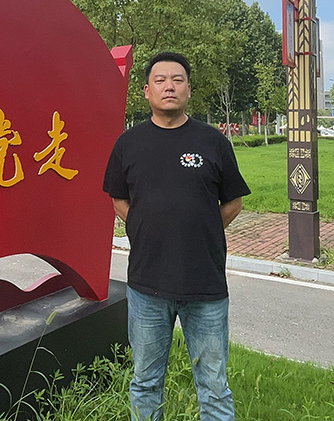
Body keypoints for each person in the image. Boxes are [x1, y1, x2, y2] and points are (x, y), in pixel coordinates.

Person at [104, 51, 248, 421]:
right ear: (146, 91)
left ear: (188, 89)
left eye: (178, 80)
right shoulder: (128, 144)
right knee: (145, 381)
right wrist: (145, 226)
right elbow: (118, 199)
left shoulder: (213, 142)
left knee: (214, 386)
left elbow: (233, 202)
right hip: (146, 285)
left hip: (205, 286)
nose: (169, 86)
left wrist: (202, 228)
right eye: (161, 80)